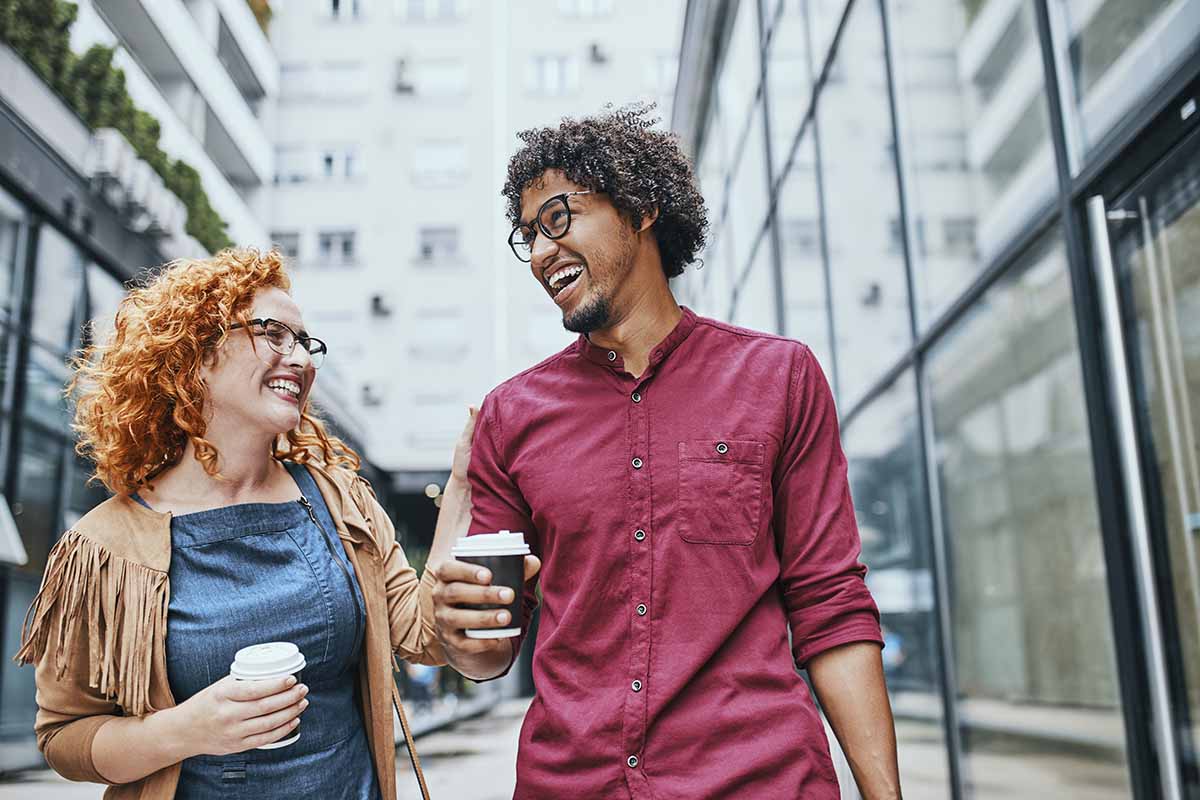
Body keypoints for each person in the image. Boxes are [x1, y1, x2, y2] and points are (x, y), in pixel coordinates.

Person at [431, 105, 902, 799]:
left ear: (642, 207)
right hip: (572, 784)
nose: (539, 252)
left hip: (760, 780)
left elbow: (830, 603)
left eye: (558, 218)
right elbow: (487, 653)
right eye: (527, 235)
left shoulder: (779, 378)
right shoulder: (511, 415)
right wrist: (461, 632)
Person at [15, 248, 472, 800]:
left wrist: (464, 483)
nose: (300, 359)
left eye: (305, 342)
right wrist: (187, 730)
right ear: (196, 354)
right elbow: (65, 737)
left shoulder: (338, 499)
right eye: (273, 334)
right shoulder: (104, 546)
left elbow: (424, 634)